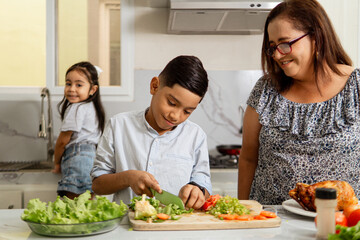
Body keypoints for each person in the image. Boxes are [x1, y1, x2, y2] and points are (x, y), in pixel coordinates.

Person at [237, 0, 357, 205]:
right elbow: (248, 158)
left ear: (316, 38)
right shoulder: (265, 89)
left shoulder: (356, 87)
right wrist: (244, 213)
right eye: (272, 47)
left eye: (285, 43)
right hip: (271, 226)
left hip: (341, 228)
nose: (276, 55)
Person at [91, 55, 211, 209]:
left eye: (187, 111)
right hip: (129, 226)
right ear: (154, 86)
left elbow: (203, 183)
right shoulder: (119, 125)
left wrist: (197, 190)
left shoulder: (196, 136)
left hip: (177, 227)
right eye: (172, 103)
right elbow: (97, 185)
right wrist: (128, 178)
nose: (175, 116)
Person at [52, 61, 105, 199]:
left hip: (77, 158)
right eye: (68, 83)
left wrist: (56, 162)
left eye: (79, 85)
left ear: (93, 89)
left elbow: (62, 141)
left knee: (72, 203)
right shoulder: (92, 107)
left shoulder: (76, 108)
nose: (71, 89)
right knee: (86, 204)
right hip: (92, 157)